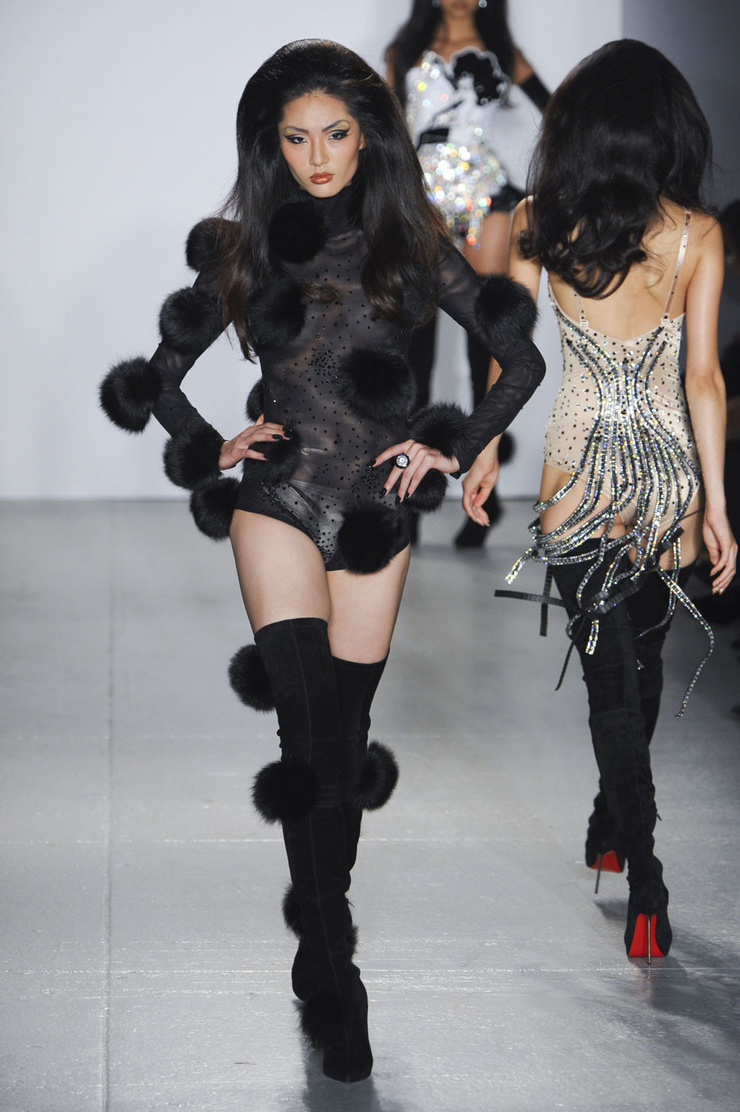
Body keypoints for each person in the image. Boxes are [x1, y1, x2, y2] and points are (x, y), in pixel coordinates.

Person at [99, 40, 543, 1083]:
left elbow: (518, 357)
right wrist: (214, 444)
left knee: (341, 745)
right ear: (272, 146)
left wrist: (453, 445)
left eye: (335, 133)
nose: (317, 156)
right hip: (279, 498)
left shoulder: (410, 241)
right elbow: (157, 377)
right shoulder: (249, 244)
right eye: (295, 138)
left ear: (367, 135)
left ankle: (317, 927)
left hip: (376, 508)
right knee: (304, 732)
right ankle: (337, 973)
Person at [463, 39, 737, 961]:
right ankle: (636, 860)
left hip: (577, 474)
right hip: (667, 479)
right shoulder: (698, 234)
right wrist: (718, 504)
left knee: (614, 678)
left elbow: (511, 355)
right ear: (667, 131)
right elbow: (703, 380)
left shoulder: (538, 221)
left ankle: (626, 843)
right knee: (639, 669)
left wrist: (487, 445)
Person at [386, 0, 549, 546]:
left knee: (489, 342)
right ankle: (409, 493)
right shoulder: (404, 51)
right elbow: (383, 129)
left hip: (485, 199)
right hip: (420, 205)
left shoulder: (503, 51)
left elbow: (557, 111)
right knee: (414, 348)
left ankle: (486, 482)